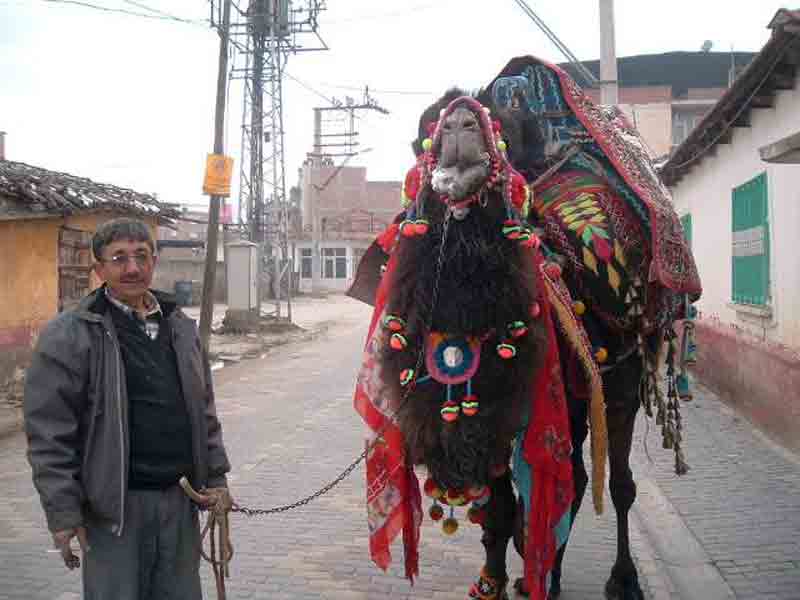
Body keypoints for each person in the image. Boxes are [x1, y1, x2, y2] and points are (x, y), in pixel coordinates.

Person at [24, 217, 231, 599]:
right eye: (119, 258)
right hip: (112, 511)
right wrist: (64, 513)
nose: (132, 268)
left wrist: (216, 478)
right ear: (99, 269)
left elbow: (204, 412)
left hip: (179, 500)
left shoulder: (178, 327)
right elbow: (49, 434)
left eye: (141, 256)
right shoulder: (70, 335)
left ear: (154, 261)